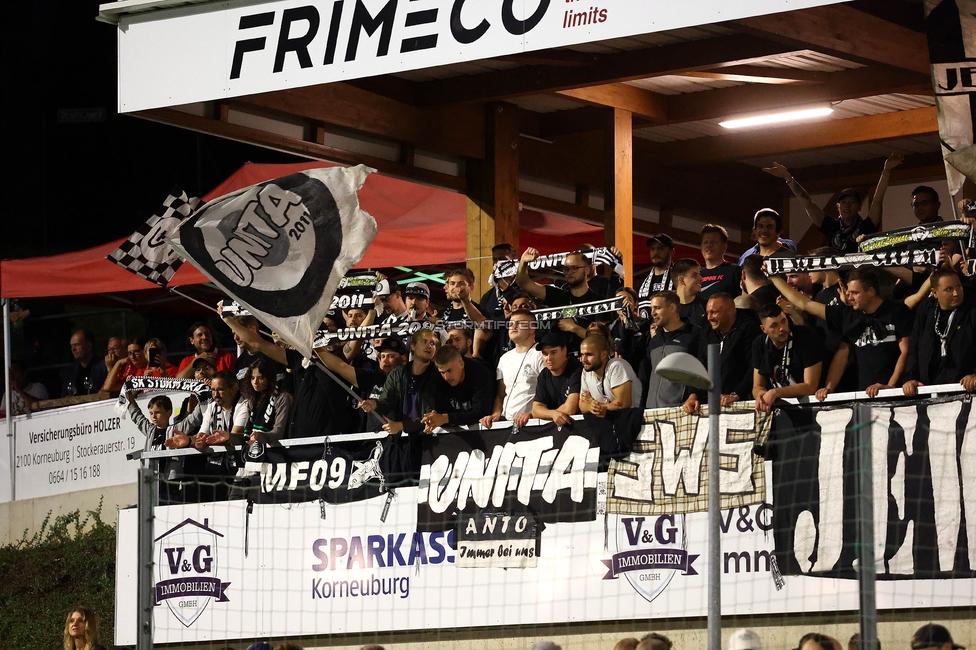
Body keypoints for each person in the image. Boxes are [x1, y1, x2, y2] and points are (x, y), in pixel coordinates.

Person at [770, 269, 912, 396]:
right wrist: (829, 388)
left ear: (871, 291)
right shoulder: (849, 315)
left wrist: (890, 386)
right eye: (849, 293)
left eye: (855, 293)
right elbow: (805, 305)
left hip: (897, 392)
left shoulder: (897, 311)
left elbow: (905, 351)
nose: (849, 298)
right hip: (864, 394)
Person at [763, 154, 902, 253]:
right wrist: (789, 179)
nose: (847, 206)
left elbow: (877, 200)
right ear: (838, 206)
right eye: (843, 202)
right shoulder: (831, 226)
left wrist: (886, 172)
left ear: (859, 207)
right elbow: (807, 203)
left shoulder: (867, 226)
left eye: (852, 202)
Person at [682, 293, 761, 413]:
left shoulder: (750, 329)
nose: (709, 317)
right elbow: (700, 366)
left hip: (742, 405)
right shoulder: (706, 332)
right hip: (711, 405)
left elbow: (754, 368)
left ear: (730, 310)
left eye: (714, 312)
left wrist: (736, 395)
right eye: (708, 312)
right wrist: (693, 395)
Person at [903, 267, 976, 394]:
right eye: (949, 289)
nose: (956, 293)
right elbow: (914, 347)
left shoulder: (972, 308)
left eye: (958, 286)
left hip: (965, 391)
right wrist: (911, 378)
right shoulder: (925, 311)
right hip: (931, 392)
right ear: (935, 292)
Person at [516, 247, 608, 348]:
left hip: (586, 357)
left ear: (586, 270)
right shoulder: (558, 296)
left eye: (574, 268)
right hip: (559, 359)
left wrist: (574, 328)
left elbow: (602, 339)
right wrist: (524, 262)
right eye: (566, 269)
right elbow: (523, 282)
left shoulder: (599, 301)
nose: (569, 272)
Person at [360, 329, 440, 436]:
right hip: (401, 440)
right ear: (413, 346)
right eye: (424, 342)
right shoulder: (397, 373)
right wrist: (374, 404)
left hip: (429, 439)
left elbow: (431, 416)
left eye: (432, 343)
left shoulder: (438, 375)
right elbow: (386, 402)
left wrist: (401, 425)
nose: (429, 346)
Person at [319, 336, 407, 432]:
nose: (385, 360)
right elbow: (340, 367)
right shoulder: (373, 377)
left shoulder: (411, 380)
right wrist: (315, 347)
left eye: (391, 356)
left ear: (403, 359)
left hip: (401, 438)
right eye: (382, 356)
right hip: (372, 441)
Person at [751, 303, 824, 412]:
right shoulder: (760, 344)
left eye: (784, 321)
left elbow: (810, 386)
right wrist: (761, 395)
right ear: (763, 329)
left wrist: (775, 392)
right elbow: (757, 386)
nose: (782, 328)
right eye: (774, 325)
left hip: (815, 407)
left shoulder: (806, 337)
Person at [480, 310, 545, 428]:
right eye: (511, 324)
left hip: (532, 423)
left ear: (532, 328)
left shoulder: (541, 355)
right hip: (507, 422)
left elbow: (547, 392)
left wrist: (531, 414)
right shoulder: (504, 358)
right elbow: (501, 394)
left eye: (520, 323)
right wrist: (495, 414)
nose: (514, 326)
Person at [642, 291, 700, 409]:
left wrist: (693, 395)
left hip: (680, 410)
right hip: (651, 411)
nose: (653, 313)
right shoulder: (654, 341)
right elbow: (645, 376)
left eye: (657, 308)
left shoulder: (694, 334)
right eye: (651, 308)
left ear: (672, 308)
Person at [424, 345, 495, 433]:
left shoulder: (481, 374)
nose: (446, 377)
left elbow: (481, 412)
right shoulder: (439, 379)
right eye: (442, 372)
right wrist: (434, 418)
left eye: (449, 370)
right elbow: (442, 412)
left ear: (461, 363)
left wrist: (446, 418)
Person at [579, 334, 640, 415]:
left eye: (589, 354)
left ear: (603, 354)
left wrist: (597, 406)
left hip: (633, 421)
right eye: (582, 354)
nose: (583, 359)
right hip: (606, 423)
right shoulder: (586, 371)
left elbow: (623, 404)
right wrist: (591, 407)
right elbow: (582, 405)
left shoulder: (617, 366)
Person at [531, 331, 582, 425]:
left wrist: (547, 414)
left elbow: (570, 408)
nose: (549, 358)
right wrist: (553, 414)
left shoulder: (576, 370)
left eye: (553, 352)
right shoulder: (544, 375)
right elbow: (536, 410)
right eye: (545, 354)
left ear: (564, 351)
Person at [242, 358, 294, 444]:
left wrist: (260, 436)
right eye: (252, 378)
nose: (255, 382)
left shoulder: (281, 397)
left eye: (260, 378)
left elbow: (278, 432)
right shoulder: (252, 400)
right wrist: (229, 437)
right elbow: (246, 435)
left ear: (269, 377)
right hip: (254, 450)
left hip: (277, 452)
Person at [637, 234, 675, 319]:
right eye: (652, 249)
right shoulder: (643, 283)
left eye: (660, 249)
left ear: (672, 252)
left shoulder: (678, 278)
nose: (655, 253)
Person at [699, 224, 742, 300]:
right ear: (701, 247)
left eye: (714, 242)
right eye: (705, 242)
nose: (709, 245)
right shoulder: (697, 274)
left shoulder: (734, 271)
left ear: (724, 247)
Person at [61, 329, 108, 397]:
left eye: (77, 345)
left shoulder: (103, 367)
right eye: (71, 346)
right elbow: (64, 395)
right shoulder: (70, 372)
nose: (73, 349)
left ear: (89, 346)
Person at [673, 257, 707, 328]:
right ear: (682, 280)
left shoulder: (707, 307)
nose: (701, 278)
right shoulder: (667, 308)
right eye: (695, 275)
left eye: (699, 274)